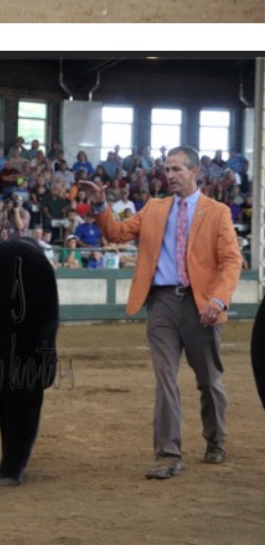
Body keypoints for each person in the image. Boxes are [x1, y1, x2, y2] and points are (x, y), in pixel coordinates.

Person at [79, 146, 242, 479]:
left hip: (202, 304)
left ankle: (215, 440)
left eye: (176, 169)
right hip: (162, 303)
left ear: (194, 172)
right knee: (164, 379)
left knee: (208, 380)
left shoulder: (217, 212)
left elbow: (231, 261)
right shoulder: (153, 208)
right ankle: (168, 454)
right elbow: (116, 233)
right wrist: (99, 205)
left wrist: (219, 299)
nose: (169, 175)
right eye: (166, 169)